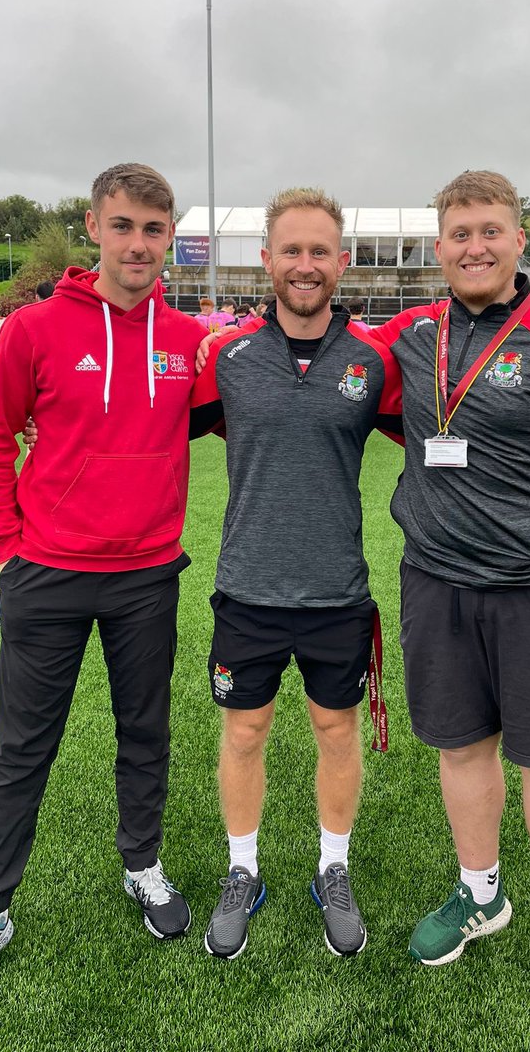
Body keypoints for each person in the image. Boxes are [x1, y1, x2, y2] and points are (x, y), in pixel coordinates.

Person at [0, 164, 204, 1005]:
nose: (138, 244)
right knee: (21, 749)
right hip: (46, 573)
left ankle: (144, 866)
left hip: (147, 576)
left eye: (154, 230)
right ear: (94, 226)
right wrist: (9, 549)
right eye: (123, 225)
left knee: (145, 732)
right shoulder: (34, 329)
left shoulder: (191, 338)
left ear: (170, 237)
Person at [372, 171, 530, 1025]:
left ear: (521, 241)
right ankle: (482, 894)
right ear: (437, 247)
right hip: (438, 587)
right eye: (459, 234)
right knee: (460, 749)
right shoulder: (412, 336)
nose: (475, 246)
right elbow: (329, 371)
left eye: (491, 231)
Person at [191, 188, 402, 961]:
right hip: (246, 586)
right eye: (291, 250)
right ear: (267, 259)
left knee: (334, 729)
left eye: (320, 251)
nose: (305, 265)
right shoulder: (230, 357)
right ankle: (242, 872)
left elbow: (436, 438)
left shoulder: (374, 363)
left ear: (340, 262)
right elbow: (149, 429)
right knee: (244, 730)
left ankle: (332, 870)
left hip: (336, 591)